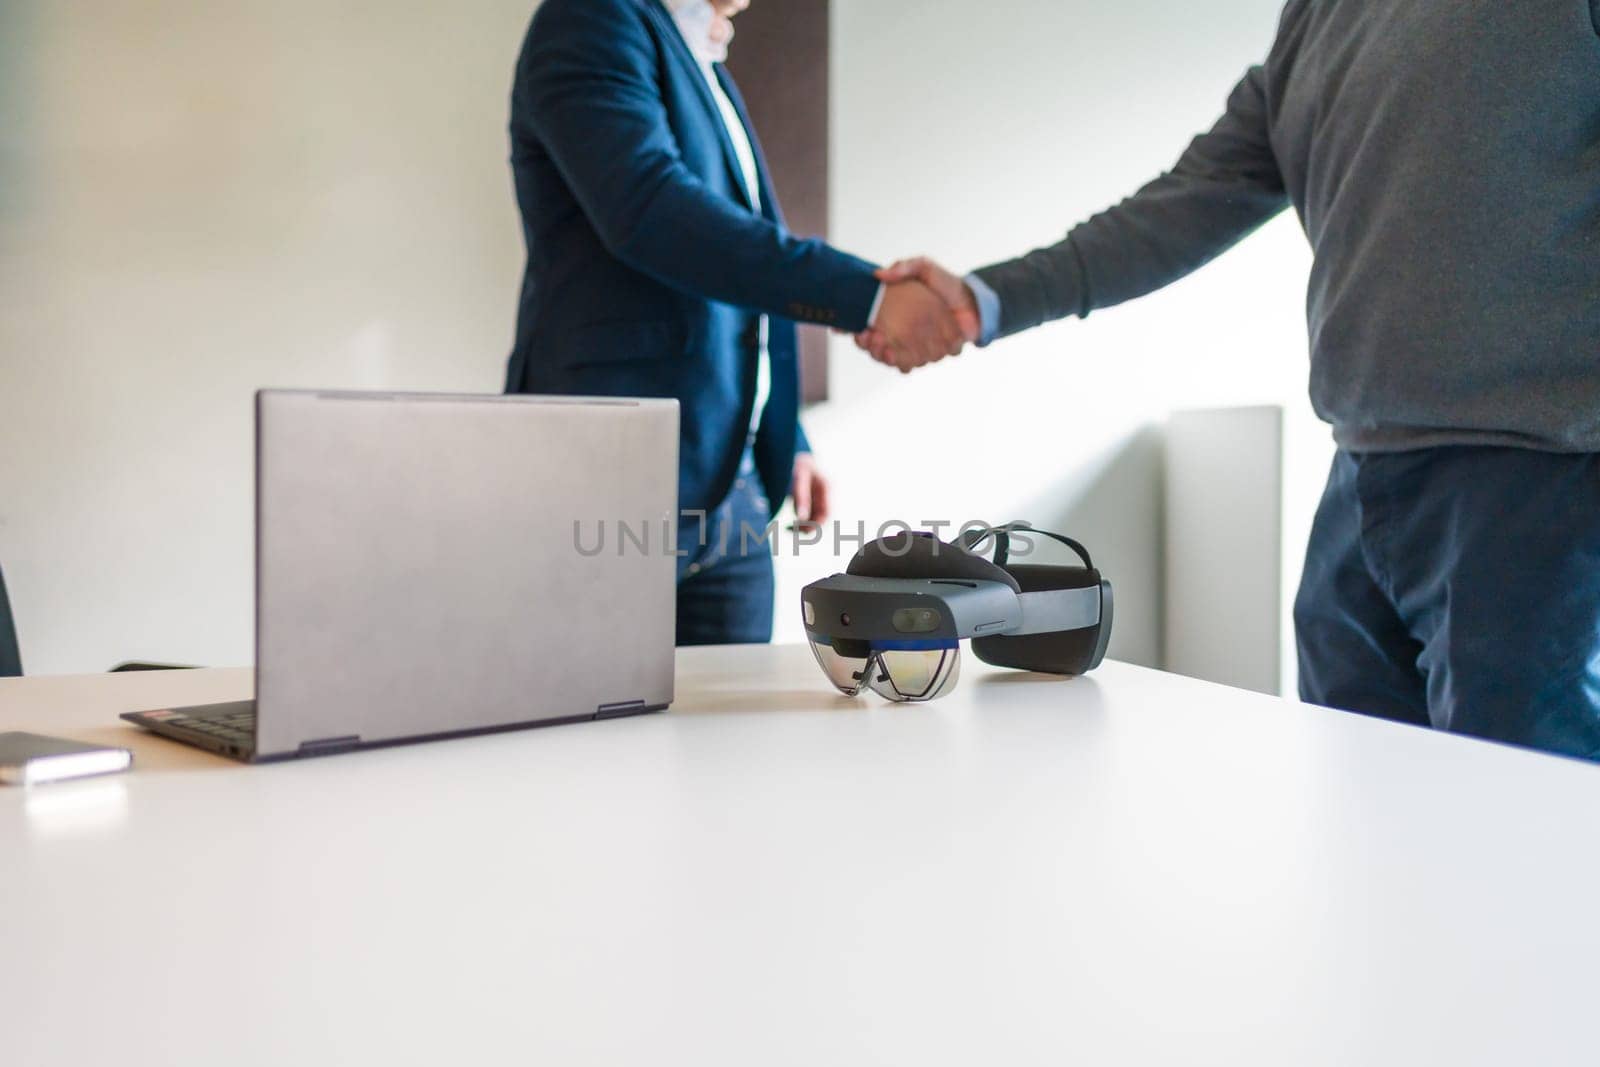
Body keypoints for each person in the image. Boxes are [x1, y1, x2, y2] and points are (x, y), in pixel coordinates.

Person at [860, 0, 1600, 759]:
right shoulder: (1319, 16)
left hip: (1545, 483)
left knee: (1536, 832)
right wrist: (984, 300)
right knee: (1370, 817)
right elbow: (1184, 206)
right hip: (1361, 485)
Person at [506, 0, 964, 647]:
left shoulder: (706, 58)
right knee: (589, 738)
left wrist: (785, 430)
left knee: (732, 742)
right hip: (604, 476)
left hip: (734, 487)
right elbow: (654, 212)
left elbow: (731, 267)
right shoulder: (590, 18)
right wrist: (865, 296)